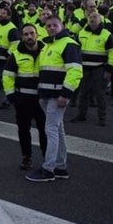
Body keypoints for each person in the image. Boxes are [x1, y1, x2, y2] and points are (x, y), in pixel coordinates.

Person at [25, 17, 82, 182]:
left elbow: (75, 72)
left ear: (62, 26)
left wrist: (66, 94)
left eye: (54, 25)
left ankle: (48, 169)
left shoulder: (68, 44)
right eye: (48, 26)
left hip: (57, 96)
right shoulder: (49, 44)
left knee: (50, 130)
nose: (51, 28)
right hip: (47, 95)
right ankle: (60, 167)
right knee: (57, 130)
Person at [3, 24, 47, 171]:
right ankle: (26, 157)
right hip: (23, 100)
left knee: (45, 130)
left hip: (43, 100)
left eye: (32, 33)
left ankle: (48, 158)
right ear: (22, 37)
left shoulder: (47, 51)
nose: (29, 36)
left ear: (37, 35)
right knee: (23, 130)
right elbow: (8, 77)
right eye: (26, 34)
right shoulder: (16, 54)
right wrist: (11, 96)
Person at [72, 11, 113, 127]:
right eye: (90, 17)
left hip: (99, 68)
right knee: (83, 93)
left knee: (100, 94)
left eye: (95, 17)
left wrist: (109, 70)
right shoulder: (81, 33)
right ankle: (82, 115)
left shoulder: (106, 34)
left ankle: (102, 118)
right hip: (84, 68)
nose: (92, 19)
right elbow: (76, 49)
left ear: (100, 20)